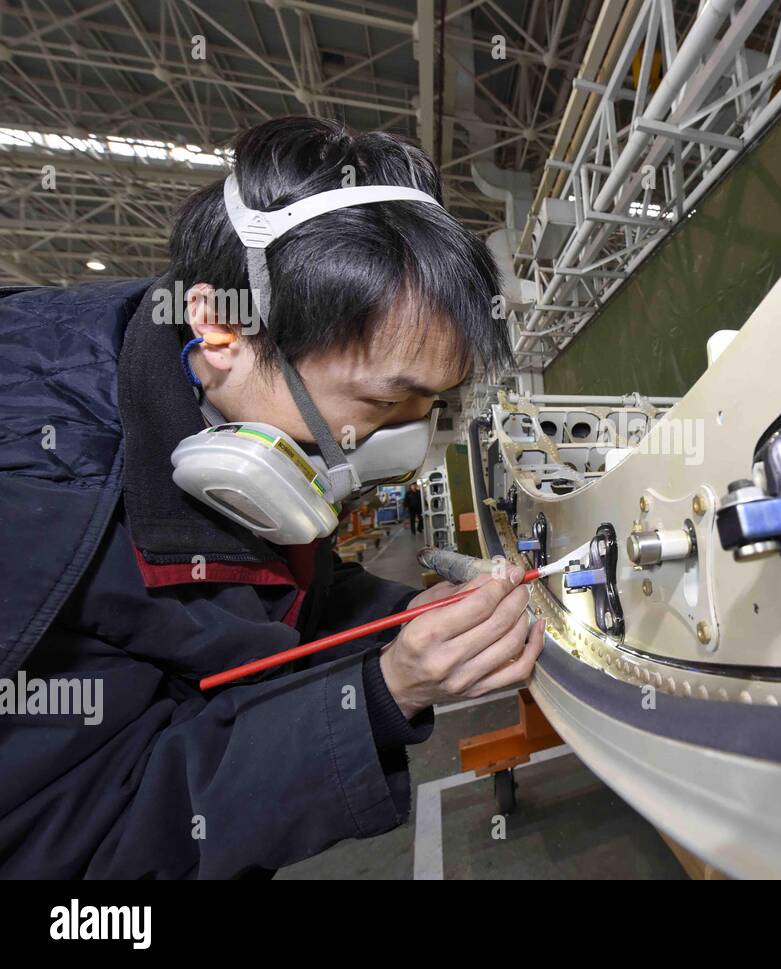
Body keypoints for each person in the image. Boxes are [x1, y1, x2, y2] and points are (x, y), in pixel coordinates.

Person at [0, 117, 543, 878]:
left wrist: (404, 619)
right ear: (221, 333)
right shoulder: (36, 500)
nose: (408, 443)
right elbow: (78, 849)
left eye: (430, 406)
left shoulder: (218, 399)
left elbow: (276, 604)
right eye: (385, 403)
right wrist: (383, 693)